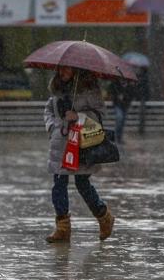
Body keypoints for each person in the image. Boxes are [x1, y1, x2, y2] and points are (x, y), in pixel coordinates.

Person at [43, 65, 115, 243]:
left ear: (77, 70)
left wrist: (78, 116)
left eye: (67, 69)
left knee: (82, 183)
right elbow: (49, 111)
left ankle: (104, 216)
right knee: (59, 183)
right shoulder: (57, 89)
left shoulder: (90, 90)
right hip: (60, 143)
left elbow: (99, 114)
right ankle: (62, 228)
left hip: (82, 143)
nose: (62, 72)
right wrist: (52, 127)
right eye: (61, 69)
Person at [108, 78, 136, 144]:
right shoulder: (115, 84)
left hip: (125, 105)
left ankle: (119, 138)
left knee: (122, 121)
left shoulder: (130, 85)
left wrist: (125, 97)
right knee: (119, 118)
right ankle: (116, 136)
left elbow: (132, 95)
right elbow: (111, 92)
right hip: (118, 105)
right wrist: (117, 96)